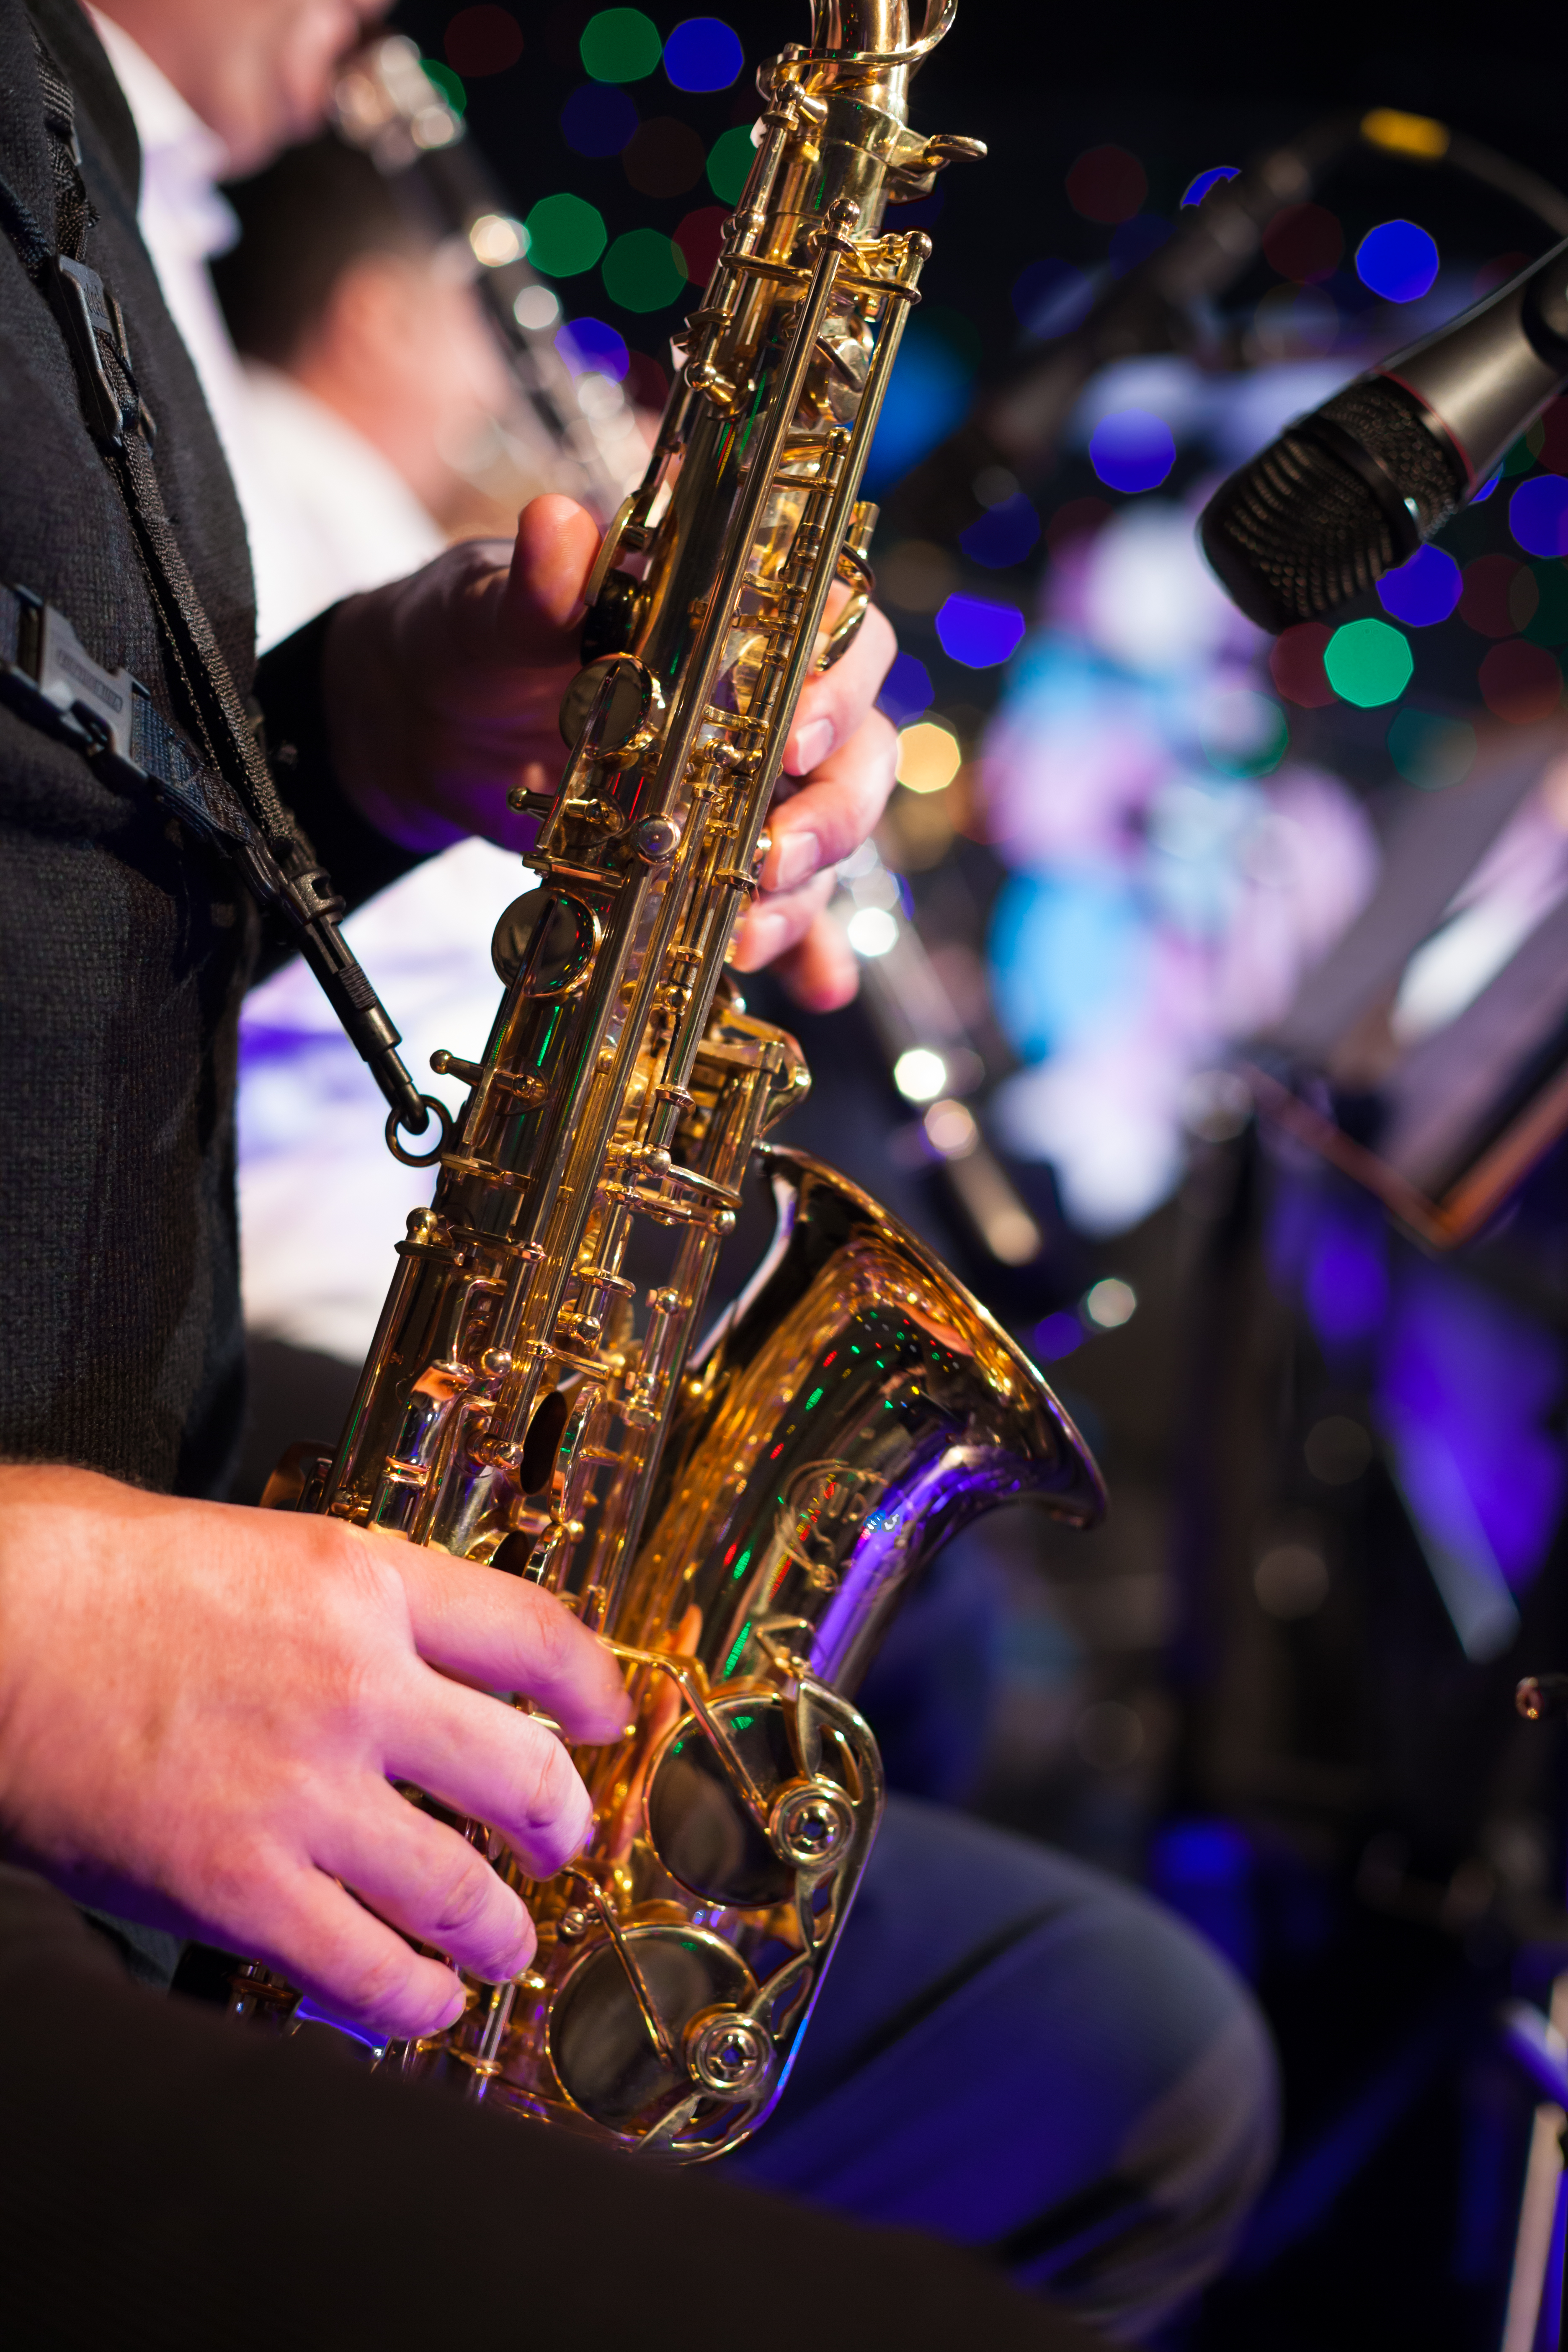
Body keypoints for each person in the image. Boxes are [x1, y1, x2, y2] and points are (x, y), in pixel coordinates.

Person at [0, 2, 1276, 2340]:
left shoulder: (71, 146)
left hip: (140, 1551)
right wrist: (38, 1635)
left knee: (1129, 2060)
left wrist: (380, 724)